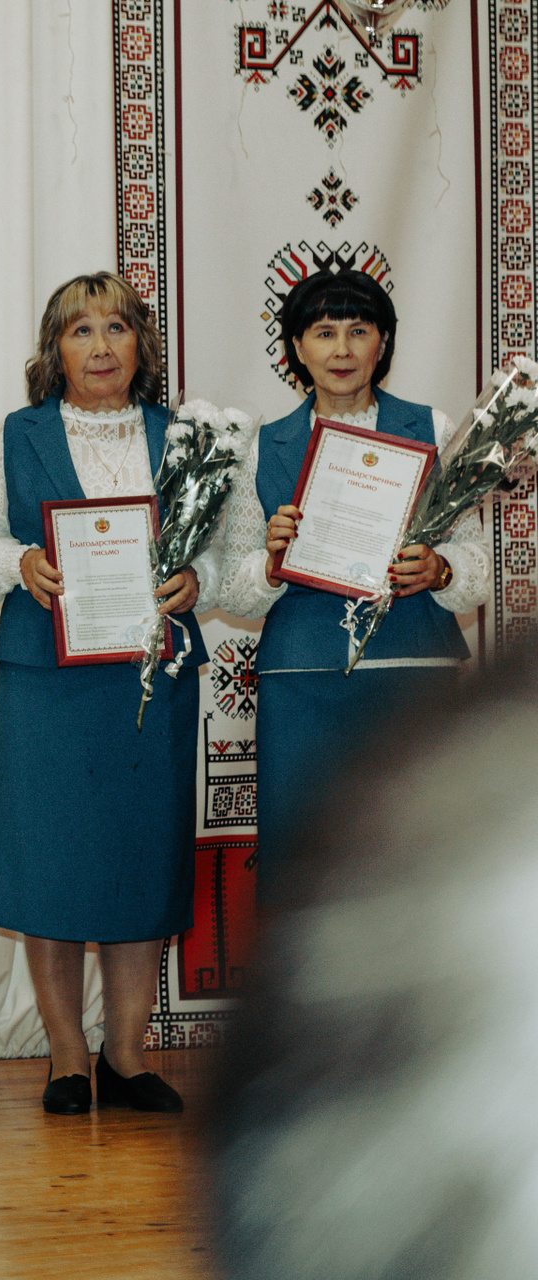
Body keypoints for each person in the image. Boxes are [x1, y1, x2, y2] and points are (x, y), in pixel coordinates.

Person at [0, 272, 209, 1116]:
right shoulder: (16, 436)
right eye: (80, 330)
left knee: (142, 860)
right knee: (51, 863)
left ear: (142, 345)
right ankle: (66, 1055)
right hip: (47, 685)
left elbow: (230, 553)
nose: (101, 346)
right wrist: (18, 562)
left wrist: (198, 581)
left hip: (151, 678)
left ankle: (126, 1055)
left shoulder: (188, 439)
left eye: (117, 328)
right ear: (54, 350)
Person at [206, 645, 538, 1280]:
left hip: (407, 661)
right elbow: (243, 586)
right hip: (304, 666)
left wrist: (434, 581)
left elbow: (464, 583)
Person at [213, 269, 487, 887]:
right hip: (302, 686)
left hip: (414, 682)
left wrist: (441, 569)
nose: (342, 349)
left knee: (421, 867)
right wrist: (272, 563)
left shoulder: (434, 429)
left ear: (383, 343)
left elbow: (475, 568)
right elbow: (234, 590)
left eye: (359, 330)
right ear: (296, 347)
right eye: (324, 332)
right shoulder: (263, 447)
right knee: (302, 871)